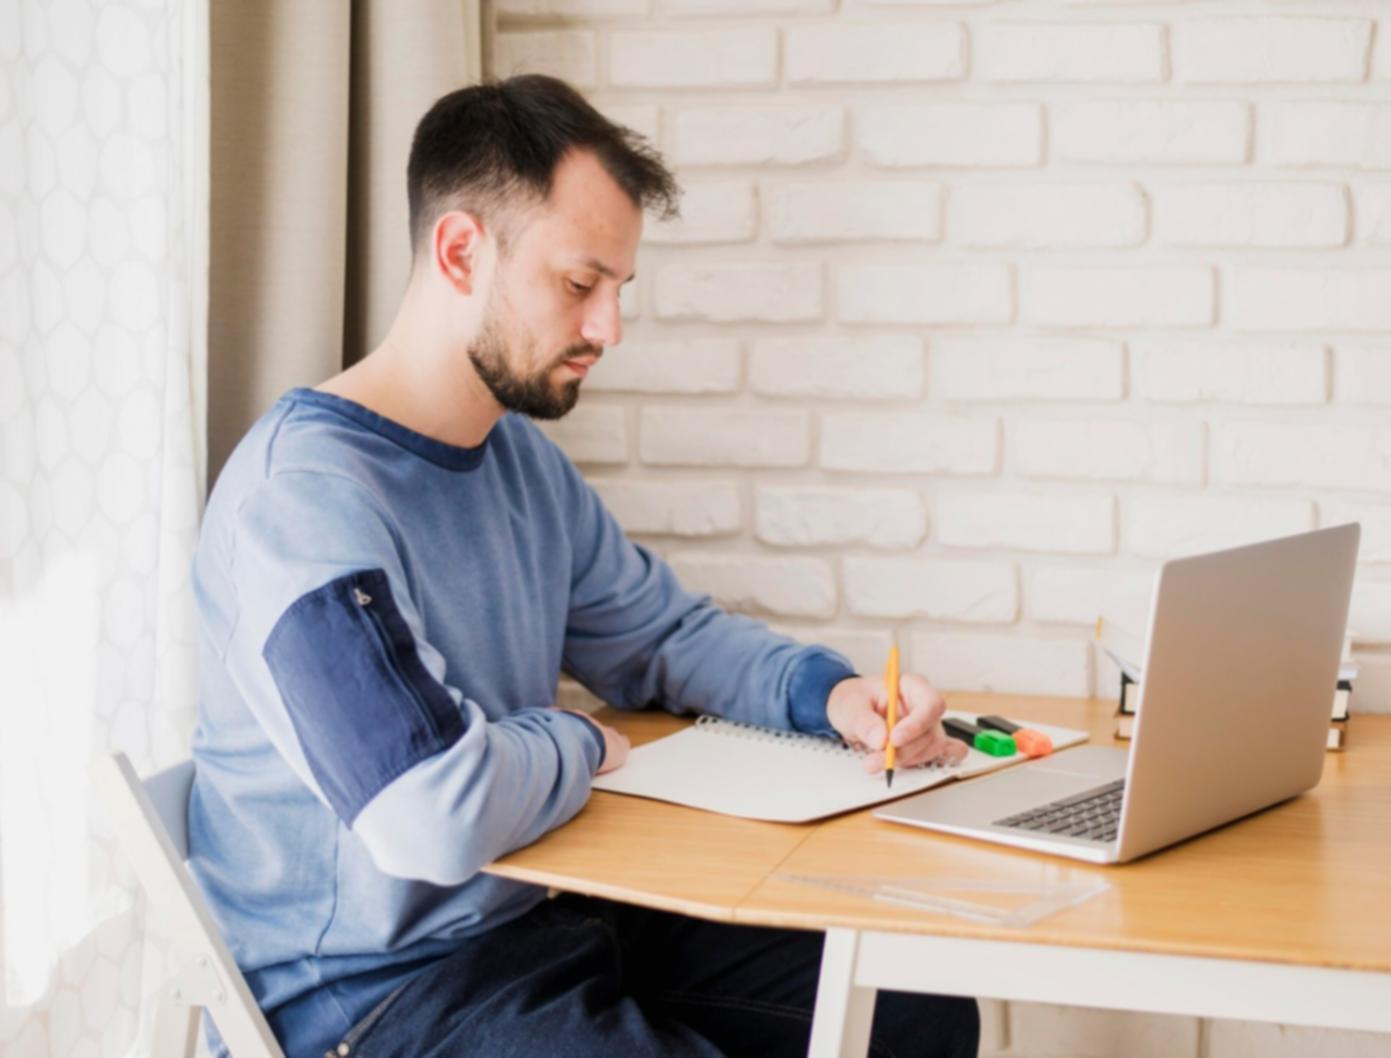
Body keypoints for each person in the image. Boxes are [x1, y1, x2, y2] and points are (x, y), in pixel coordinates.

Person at [189, 74, 980, 1058]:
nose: (609, 329)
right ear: (460, 251)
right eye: (579, 284)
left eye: (617, 289)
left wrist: (830, 693)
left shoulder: (519, 465)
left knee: (912, 1003)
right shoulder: (300, 502)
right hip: (371, 1004)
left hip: (532, 926)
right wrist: (576, 740)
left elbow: (663, 635)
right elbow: (426, 814)